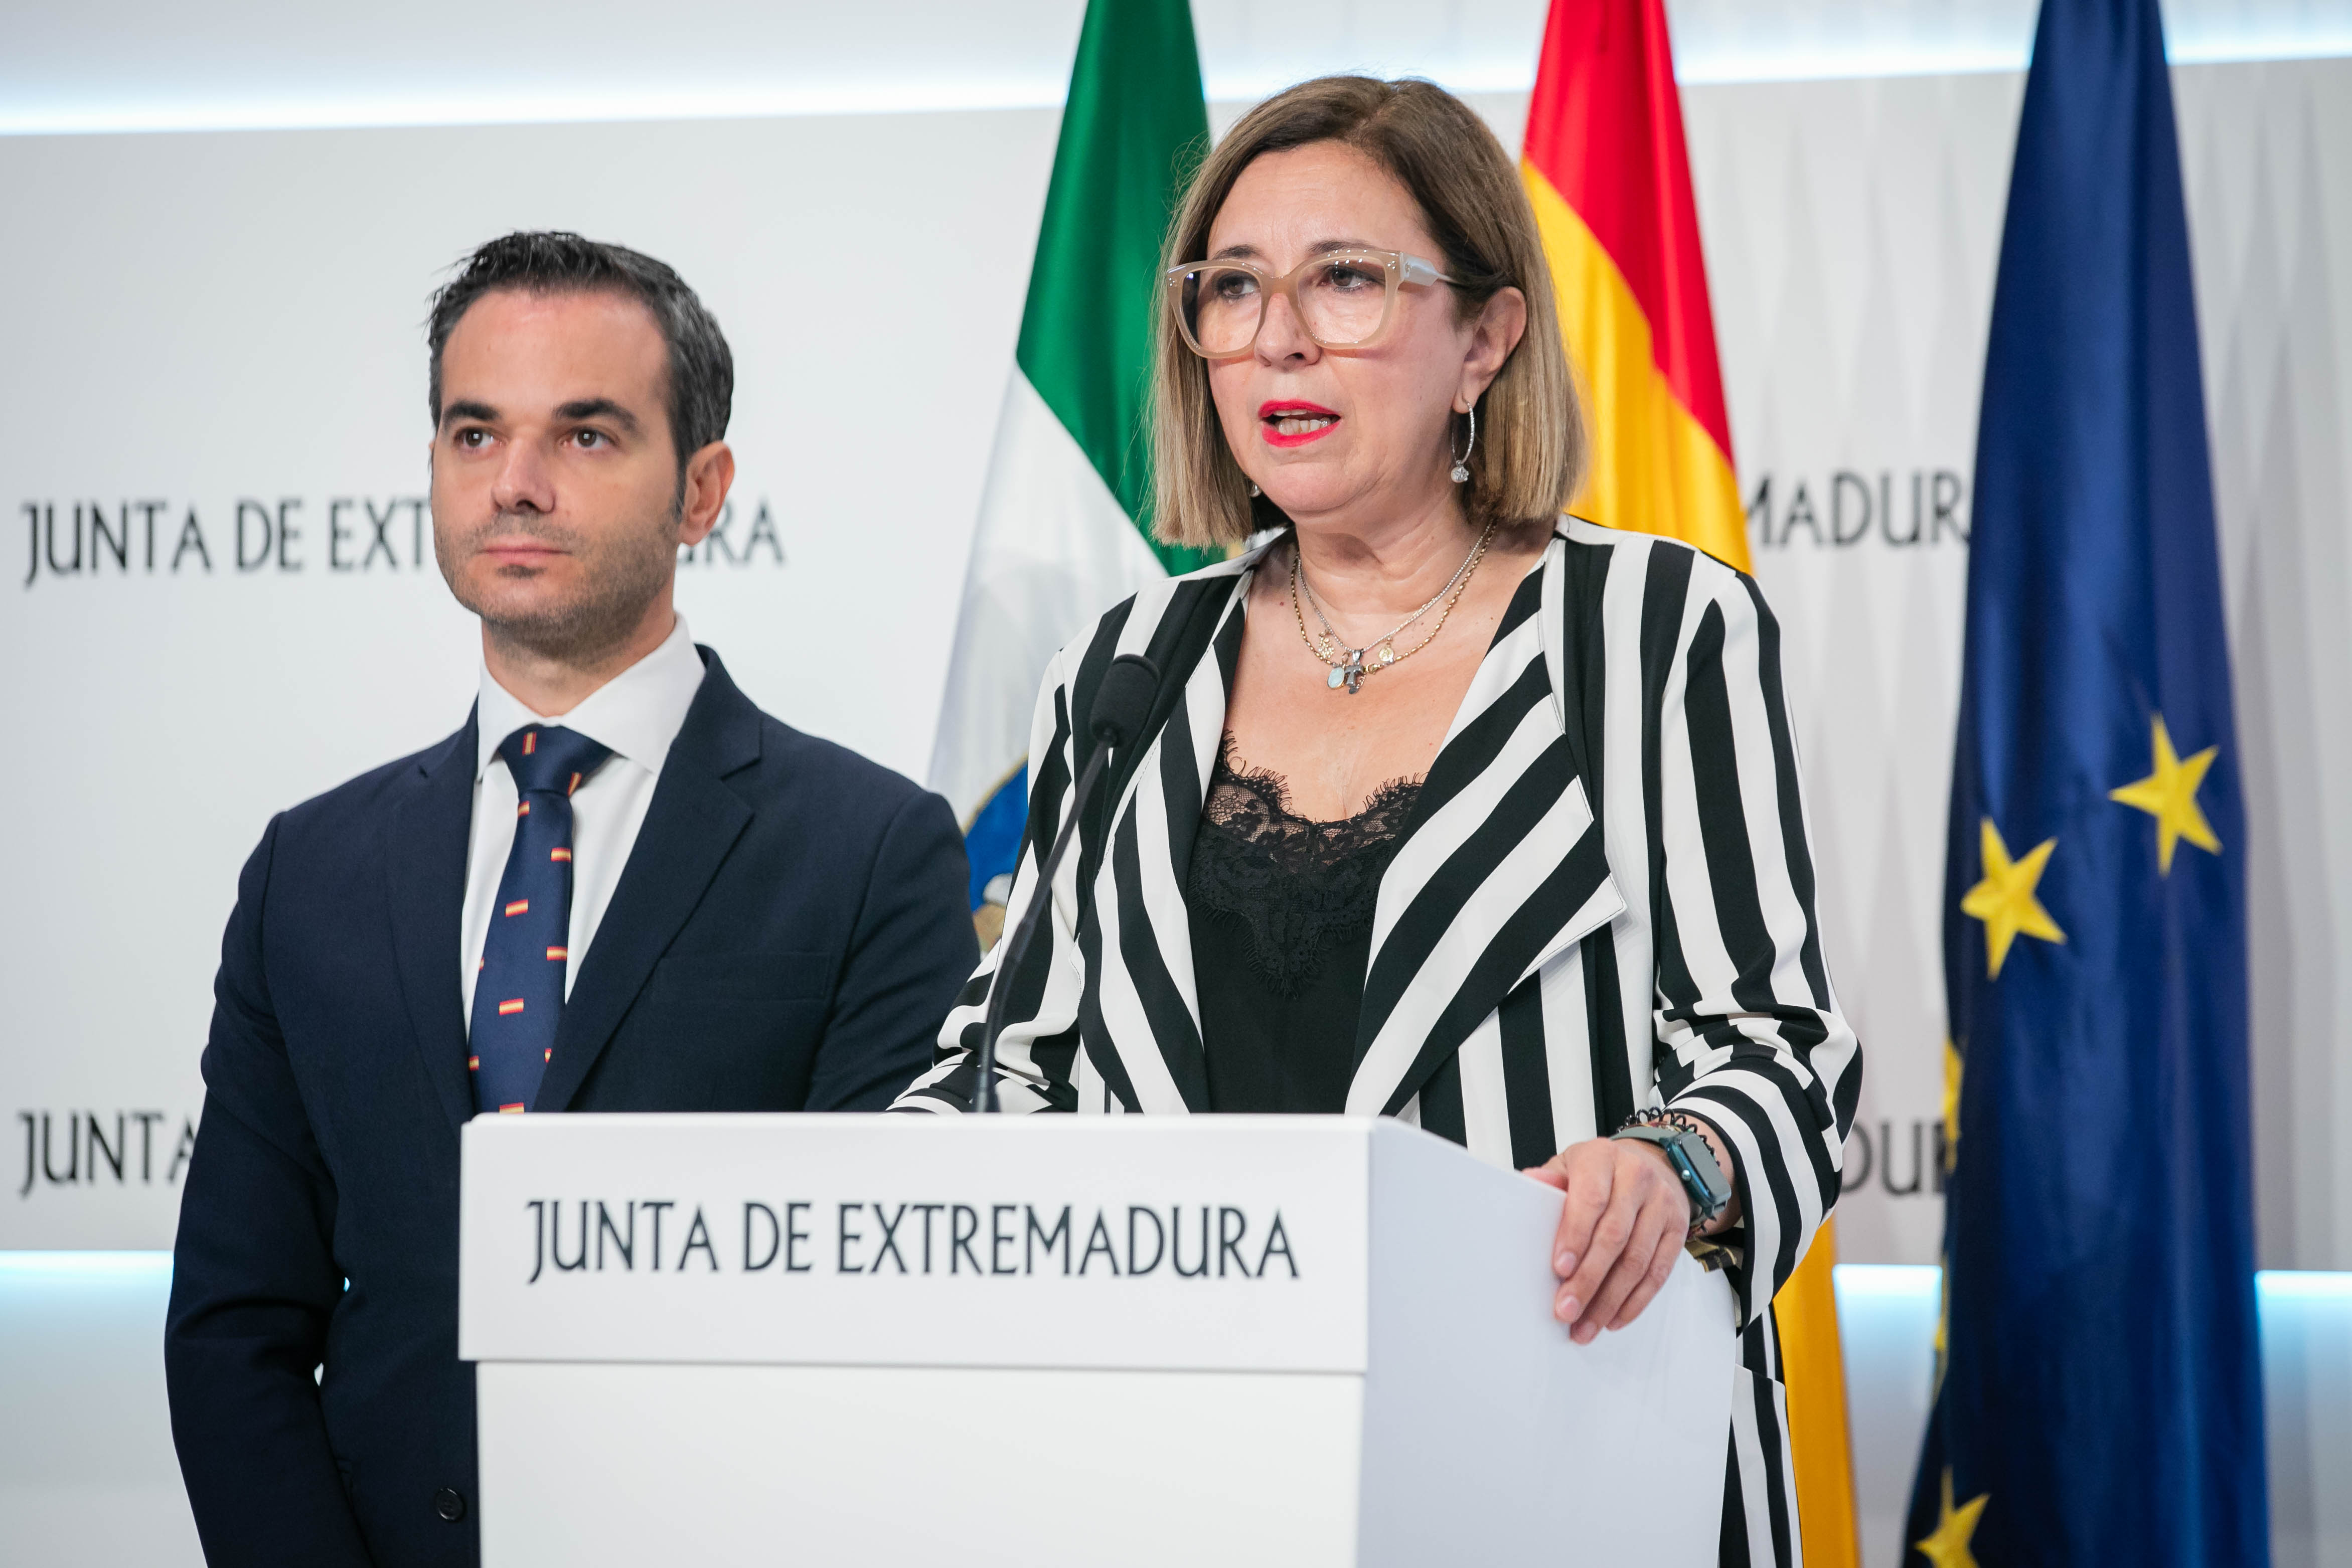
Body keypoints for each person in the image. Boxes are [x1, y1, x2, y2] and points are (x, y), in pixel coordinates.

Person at [894, 78, 1858, 1566]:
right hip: (1180, 1474)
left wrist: (1674, 1161)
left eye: (1343, 279)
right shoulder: (1124, 661)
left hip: (1563, 1455)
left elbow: (1777, 1053)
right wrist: (843, 1212)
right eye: (1230, 287)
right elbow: (1012, 1057)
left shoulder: (1652, 629)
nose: (1276, 336)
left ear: (1486, 336)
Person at [165, 232, 977, 1567]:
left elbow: (879, 1323)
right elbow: (235, 1326)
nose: (518, 486)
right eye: (473, 434)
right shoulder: (307, 871)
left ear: (701, 490)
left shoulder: (871, 848)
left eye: (586, 436)